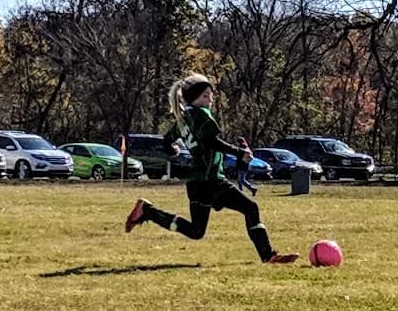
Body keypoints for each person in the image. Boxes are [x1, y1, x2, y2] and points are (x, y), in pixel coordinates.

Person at [124, 73, 299, 264]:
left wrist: (172, 150)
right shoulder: (201, 115)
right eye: (205, 96)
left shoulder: (183, 119)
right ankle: (267, 255)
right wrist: (239, 152)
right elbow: (211, 141)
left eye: (211, 95)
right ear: (193, 99)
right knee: (243, 211)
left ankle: (268, 255)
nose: (210, 99)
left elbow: (167, 140)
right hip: (208, 181)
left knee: (203, 228)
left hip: (203, 181)